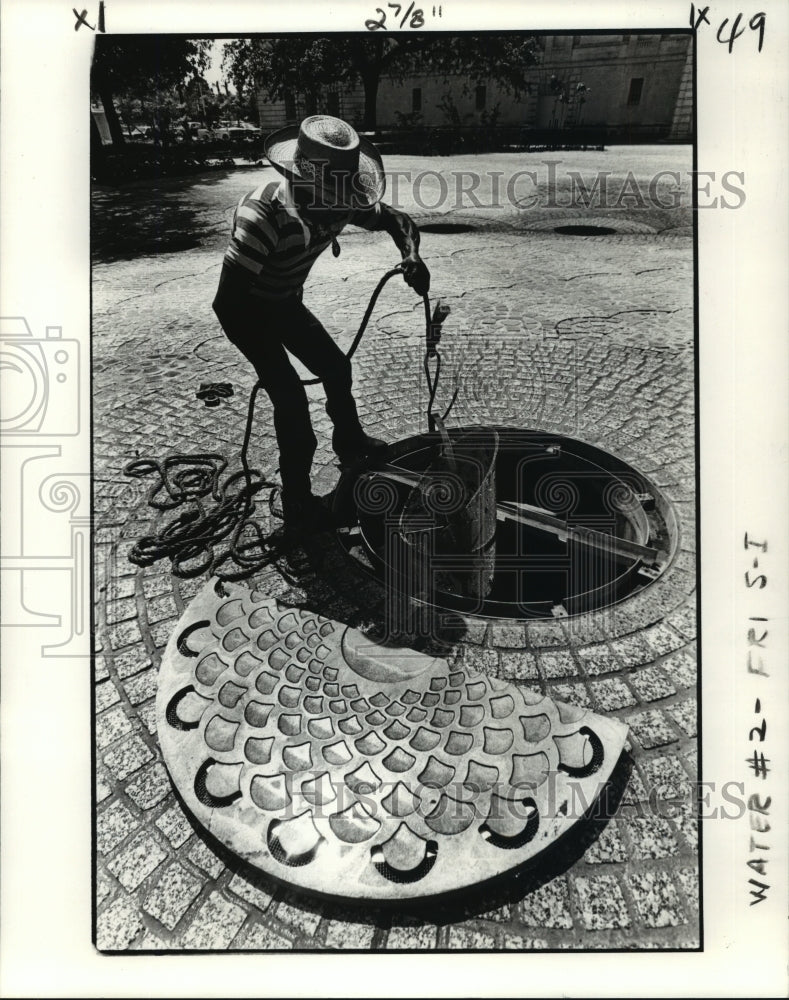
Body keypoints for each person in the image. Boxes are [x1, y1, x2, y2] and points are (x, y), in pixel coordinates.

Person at [213, 115, 430, 536]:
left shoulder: (344, 200)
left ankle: (350, 443)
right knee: (292, 404)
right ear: (304, 183)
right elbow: (227, 303)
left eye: (343, 198)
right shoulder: (263, 215)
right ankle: (297, 500)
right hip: (247, 311)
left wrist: (412, 256)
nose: (339, 210)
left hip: (285, 302)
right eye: (329, 197)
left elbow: (399, 221)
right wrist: (275, 371)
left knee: (336, 367)